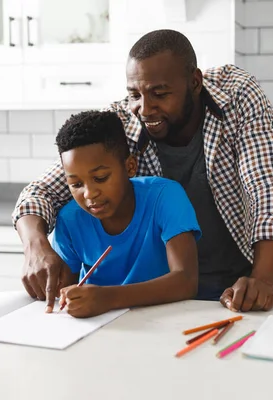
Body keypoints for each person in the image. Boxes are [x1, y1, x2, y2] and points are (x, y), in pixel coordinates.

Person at [13, 29, 273, 313]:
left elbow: (267, 187)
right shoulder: (122, 121)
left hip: (241, 283)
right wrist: (35, 246)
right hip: (161, 293)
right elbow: (43, 190)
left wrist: (261, 279)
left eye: (159, 94)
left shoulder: (236, 94)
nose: (145, 109)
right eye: (134, 94)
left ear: (195, 82)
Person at [45, 110, 201, 318]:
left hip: (162, 322)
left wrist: (108, 298)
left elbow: (186, 281)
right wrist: (65, 294)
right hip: (98, 329)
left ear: (129, 167)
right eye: (76, 184)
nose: (90, 194)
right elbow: (66, 289)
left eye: (100, 178)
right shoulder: (69, 219)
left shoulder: (165, 196)